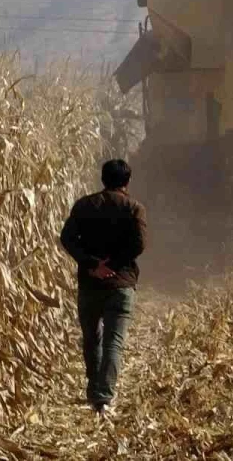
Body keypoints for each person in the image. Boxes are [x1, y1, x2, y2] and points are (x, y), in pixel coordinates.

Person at [59, 159, 147, 417]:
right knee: (114, 341)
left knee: (91, 337)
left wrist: (92, 264)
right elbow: (139, 244)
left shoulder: (85, 205)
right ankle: (103, 396)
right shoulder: (135, 208)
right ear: (127, 182)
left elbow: (67, 238)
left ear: (103, 179)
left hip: (90, 283)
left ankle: (92, 388)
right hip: (121, 284)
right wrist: (116, 264)